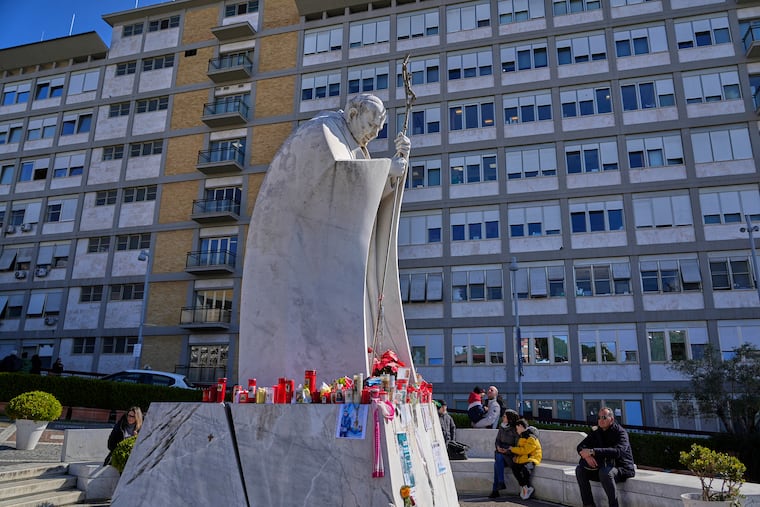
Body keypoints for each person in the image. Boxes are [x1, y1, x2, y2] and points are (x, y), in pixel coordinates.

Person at [239, 93, 413, 385]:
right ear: (353, 112)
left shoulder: (356, 147)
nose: (371, 135)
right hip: (295, 253)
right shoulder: (322, 132)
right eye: (370, 126)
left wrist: (396, 169)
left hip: (322, 255)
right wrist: (386, 170)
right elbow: (337, 181)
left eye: (377, 131)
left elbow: (361, 199)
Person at [575, 407, 635, 507]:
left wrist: (593, 451)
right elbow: (580, 447)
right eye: (598, 418)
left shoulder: (620, 432)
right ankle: (588, 504)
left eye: (603, 417)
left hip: (621, 468)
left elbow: (618, 452)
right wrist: (587, 457)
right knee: (580, 470)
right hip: (603, 466)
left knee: (605, 472)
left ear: (611, 419)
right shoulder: (596, 431)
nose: (600, 420)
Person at [489, 409, 520, 498]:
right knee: (498, 458)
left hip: (510, 456)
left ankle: (496, 488)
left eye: (505, 416)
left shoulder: (515, 430)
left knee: (497, 463)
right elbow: (497, 440)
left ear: (509, 418)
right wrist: (498, 447)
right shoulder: (502, 427)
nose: (503, 417)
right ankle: (500, 483)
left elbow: (517, 444)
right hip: (500, 452)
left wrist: (507, 451)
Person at [508, 418, 542, 500]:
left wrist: (512, 449)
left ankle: (526, 487)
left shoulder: (531, 437)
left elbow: (526, 450)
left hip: (532, 459)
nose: (516, 431)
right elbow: (522, 450)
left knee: (525, 470)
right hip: (525, 458)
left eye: (517, 428)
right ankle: (525, 487)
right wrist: (516, 457)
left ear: (520, 426)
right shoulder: (523, 436)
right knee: (514, 467)